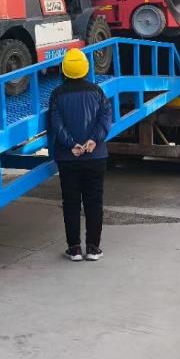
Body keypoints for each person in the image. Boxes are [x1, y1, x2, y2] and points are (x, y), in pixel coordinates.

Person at [48, 47, 113, 262]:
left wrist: (71, 144)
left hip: (69, 158)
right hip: (96, 156)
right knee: (94, 202)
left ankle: (74, 248)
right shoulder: (97, 92)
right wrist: (94, 140)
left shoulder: (57, 94)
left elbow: (56, 123)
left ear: (64, 70)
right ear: (86, 68)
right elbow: (105, 119)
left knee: (71, 203)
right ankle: (93, 248)